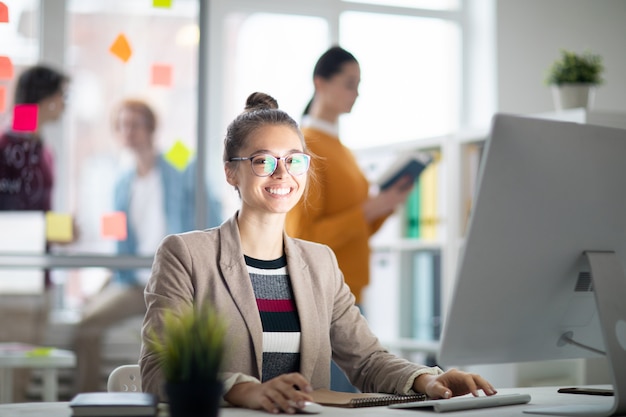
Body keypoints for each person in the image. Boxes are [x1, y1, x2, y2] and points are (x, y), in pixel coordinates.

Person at [139, 92, 496, 414]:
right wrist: (245, 390)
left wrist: (427, 380)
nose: (283, 174)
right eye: (264, 161)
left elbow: (368, 360)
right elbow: (158, 370)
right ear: (231, 172)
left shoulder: (320, 261)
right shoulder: (186, 255)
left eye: (295, 161)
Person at [284, 45, 414, 392]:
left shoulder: (341, 149)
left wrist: (385, 206)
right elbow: (303, 236)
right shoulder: (305, 147)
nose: (355, 93)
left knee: (353, 396)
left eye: (358, 84)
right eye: (349, 83)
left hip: (349, 291)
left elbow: (358, 230)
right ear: (320, 83)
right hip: (321, 295)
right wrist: (370, 209)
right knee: (340, 400)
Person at [73, 99, 222, 393]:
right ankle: (86, 401)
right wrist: (102, 287)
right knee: (85, 326)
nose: (128, 132)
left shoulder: (179, 164)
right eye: (122, 125)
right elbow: (120, 243)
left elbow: (213, 212)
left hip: (174, 281)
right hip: (133, 282)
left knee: (180, 340)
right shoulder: (122, 182)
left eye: (135, 124)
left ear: (151, 129)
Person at [0, 64, 70, 402]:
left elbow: (35, 208)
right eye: (62, 96)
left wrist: (62, 229)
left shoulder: (40, 147)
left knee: (23, 374)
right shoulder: (8, 146)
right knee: (11, 376)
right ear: (43, 98)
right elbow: (14, 211)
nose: (65, 104)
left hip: (37, 273)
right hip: (13, 277)